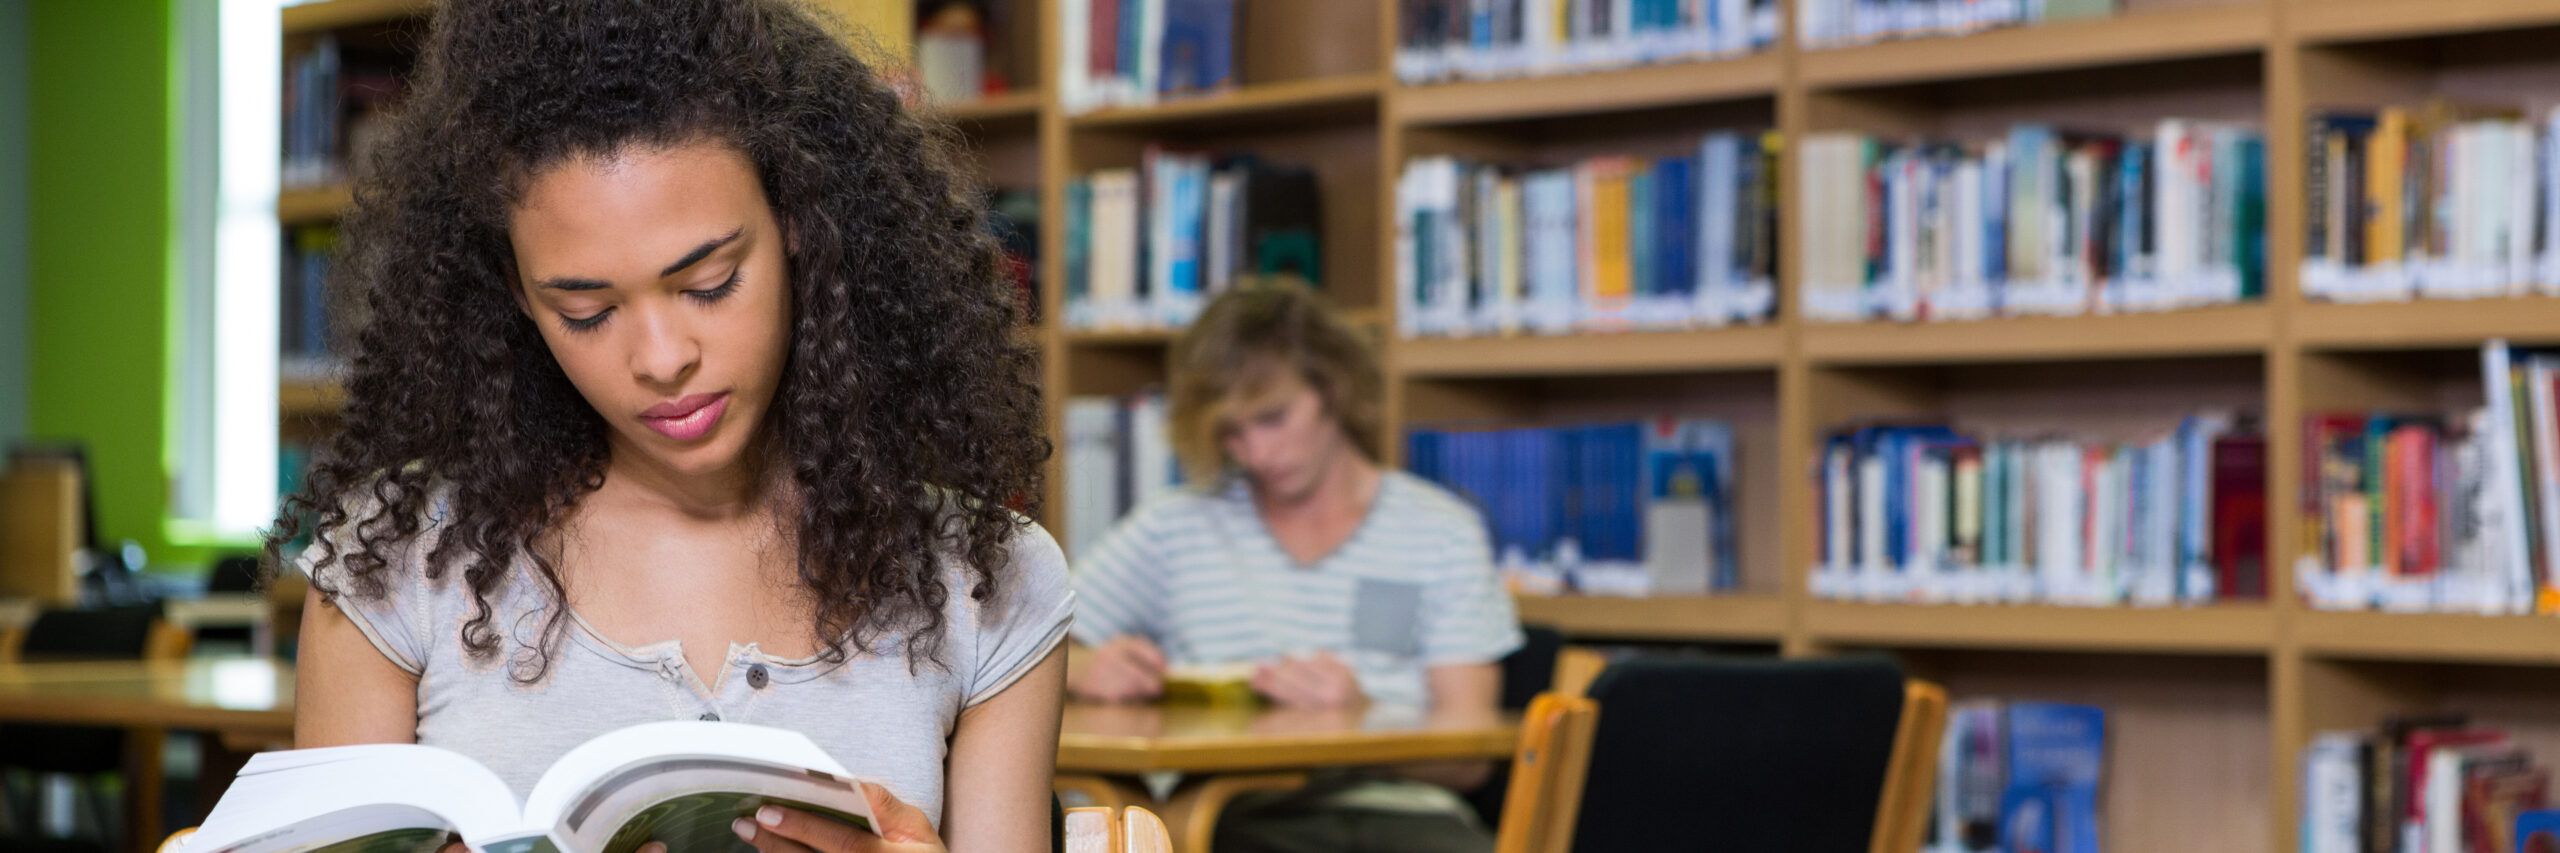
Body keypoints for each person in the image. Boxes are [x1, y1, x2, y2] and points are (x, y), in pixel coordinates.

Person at [264, 2, 1069, 851]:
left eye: (710, 283)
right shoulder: (396, 564)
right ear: (515, 294)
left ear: (800, 222)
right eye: (585, 309)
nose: (660, 357)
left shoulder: (986, 580)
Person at [1063, 281, 1523, 853]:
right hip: (1224, 811)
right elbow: (1026, 648)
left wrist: (1362, 718)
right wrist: (1086, 670)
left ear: (1333, 389)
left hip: (1400, 813)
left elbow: (1470, 754)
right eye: (1231, 433)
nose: (1256, 453)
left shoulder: (1442, 530)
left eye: (1273, 418)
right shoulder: (1175, 527)